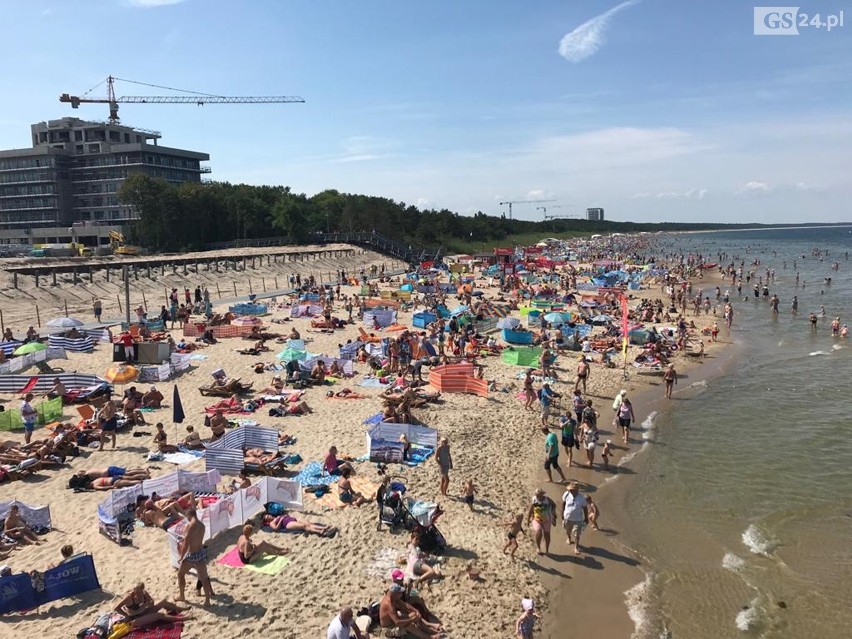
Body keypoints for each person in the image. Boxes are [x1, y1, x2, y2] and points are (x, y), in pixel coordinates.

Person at [176, 508, 214, 606]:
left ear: (189, 515)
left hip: (192, 554)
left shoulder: (189, 526)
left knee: (180, 574)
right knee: (204, 578)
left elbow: (186, 544)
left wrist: (181, 557)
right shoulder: (202, 526)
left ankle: (182, 596)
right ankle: (207, 601)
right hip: (200, 552)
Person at [115, 582, 191, 621]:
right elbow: (116, 608)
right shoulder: (129, 598)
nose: (138, 594)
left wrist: (147, 604)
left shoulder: (144, 593)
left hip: (145, 611)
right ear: (134, 591)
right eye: (136, 592)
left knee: (163, 601)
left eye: (140, 592)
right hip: (135, 618)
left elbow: (152, 602)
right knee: (159, 615)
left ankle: (181, 608)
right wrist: (126, 615)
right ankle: (182, 619)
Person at [526, 488, 557, 555]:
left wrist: (553, 514)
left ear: (542, 495)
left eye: (539, 495)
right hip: (536, 519)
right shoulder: (534, 499)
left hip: (547, 520)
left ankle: (547, 550)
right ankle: (538, 548)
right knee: (538, 532)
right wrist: (528, 520)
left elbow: (554, 505)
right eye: (537, 495)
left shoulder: (547, 499)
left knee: (547, 534)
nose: (538, 497)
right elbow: (531, 509)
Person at [561, 482, 589, 555]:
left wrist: (586, 518)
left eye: (572, 490)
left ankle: (576, 547)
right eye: (570, 489)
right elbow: (563, 504)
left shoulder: (581, 498)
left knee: (577, 534)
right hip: (567, 517)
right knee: (567, 530)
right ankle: (569, 538)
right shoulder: (566, 494)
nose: (570, 491)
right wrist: (562, 513)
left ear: (577, 490)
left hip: (578, 519)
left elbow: (585, 508)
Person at [262, 511, 336, 537]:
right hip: (287, 524)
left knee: (308, 523)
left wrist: (284, 516)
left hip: (292, 519)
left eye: (268, 515)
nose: (268, 516)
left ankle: (324, 528)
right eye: (267, 517)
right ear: (266, 520)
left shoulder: (276, 516)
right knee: (304, 526)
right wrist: (281, 520)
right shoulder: (272, 522)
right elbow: (275, 529)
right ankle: (320, 532)